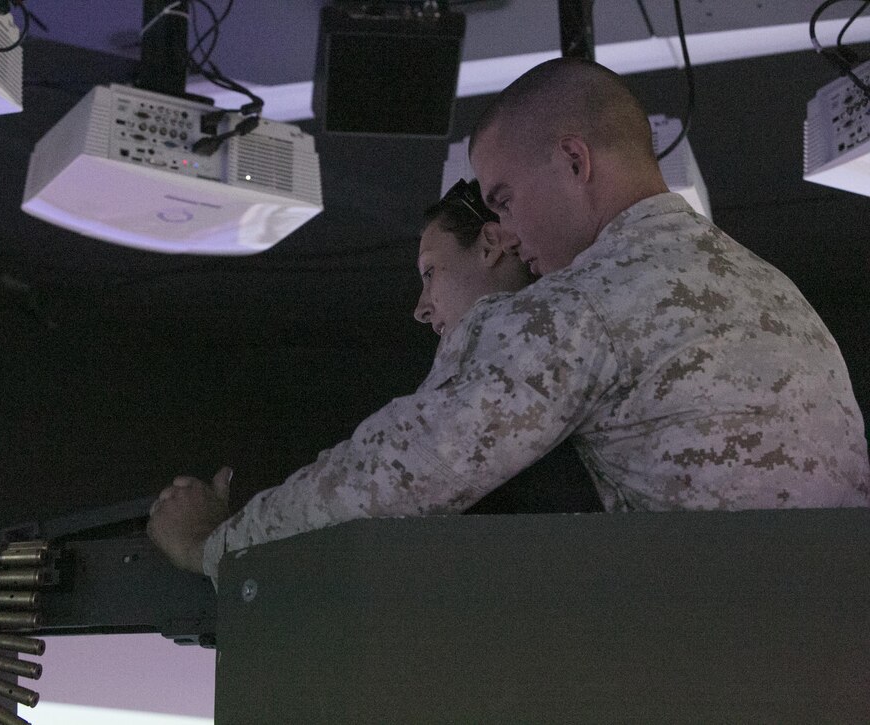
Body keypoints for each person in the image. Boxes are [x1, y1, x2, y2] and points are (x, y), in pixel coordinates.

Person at [148, 58, 870, 580]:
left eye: (504, 198)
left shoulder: (577, 306)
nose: (506, 230)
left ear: (574, 161)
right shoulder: (771, 289)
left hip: (713, 666)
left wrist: (218, 542)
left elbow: (399, 475)